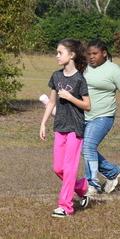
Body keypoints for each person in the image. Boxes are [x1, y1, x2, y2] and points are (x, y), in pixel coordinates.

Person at [40, 38, 92, 217]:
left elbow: (87, 105)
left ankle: (66, 206)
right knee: (58, 168)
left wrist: (70, 98)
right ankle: (81, 187)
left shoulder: (79, 79)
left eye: (60, 53)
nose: (57, 56)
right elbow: (51, 101)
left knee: (69, 168)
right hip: (59, 126)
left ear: (71, 55)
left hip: (75, 128)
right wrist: (43, 123)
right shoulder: (56, 76)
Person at [82, 39, 120, 197]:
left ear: (104, 53)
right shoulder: (84, 68)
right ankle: (112, 172)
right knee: (84, 148)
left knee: (88, 147)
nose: (91, 57)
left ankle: (92, 184)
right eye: (89, 54)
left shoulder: (113, 70)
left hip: (103, 116)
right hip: (83, 115)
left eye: (95, 54)